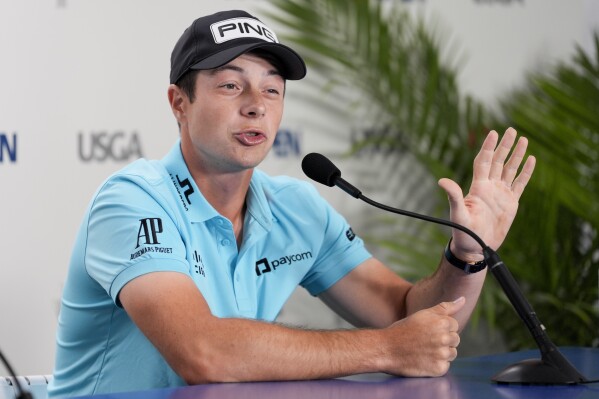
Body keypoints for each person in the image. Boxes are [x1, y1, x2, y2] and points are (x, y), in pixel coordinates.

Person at [48, 9, 536, 398]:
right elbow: (202, 353)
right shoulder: (132, 199)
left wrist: (467, 255)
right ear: (179, 102)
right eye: (230, 84)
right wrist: (386, 349)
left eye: (272, 89)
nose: (256, 103)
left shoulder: (295, 208)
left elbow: (413, 321)